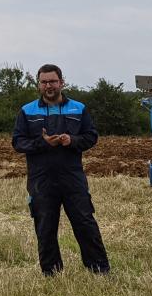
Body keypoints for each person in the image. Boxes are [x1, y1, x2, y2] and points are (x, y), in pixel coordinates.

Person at [12, 64, 110, 276]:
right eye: (44, 82)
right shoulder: (27, 111)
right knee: (45, 226)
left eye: (53, 81)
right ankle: (52, 273)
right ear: (39, 85)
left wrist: (71, 140)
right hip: (41, 179)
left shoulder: (78, 108)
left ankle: (99, 270)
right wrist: (44, 143)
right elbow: (18, 143)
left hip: (72, 177)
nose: (49, 86)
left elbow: (91, 136)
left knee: (85, 223)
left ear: (61, 82)